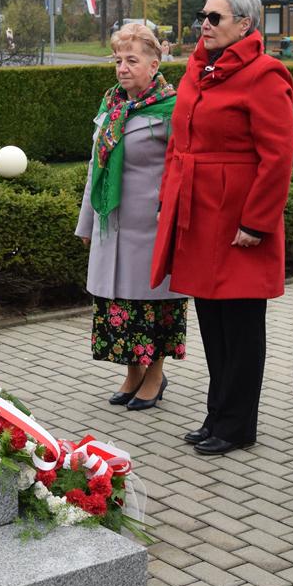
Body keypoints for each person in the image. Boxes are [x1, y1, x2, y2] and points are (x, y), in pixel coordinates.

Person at [152, 0, 293, 457]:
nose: (204, 24)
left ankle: (237, 424)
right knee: (212, 323)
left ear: (245, 24)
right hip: (198, 215)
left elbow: (277, 158)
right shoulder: (198, 69)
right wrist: (168, 198)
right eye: (203, 16)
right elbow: (179, 142)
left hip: (237, 222)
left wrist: (257, 222)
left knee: (241, 326)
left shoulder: (265, 75)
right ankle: (217, 414)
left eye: (215, 18)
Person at [76, 22, 185, 411]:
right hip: (113, 226)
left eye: (132, 60)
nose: (122, 67)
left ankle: (154, 376)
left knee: (150, 305)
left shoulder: (172, 109)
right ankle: (132, 373)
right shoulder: (111, 106)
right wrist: (86, 222)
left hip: (150, 228)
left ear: (155, 65)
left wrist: (171, 217)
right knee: (119, 304)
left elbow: (182, 168)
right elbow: (95, 166)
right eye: (118, 60)